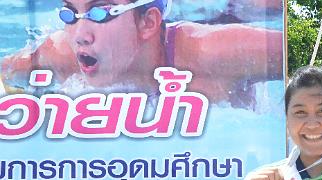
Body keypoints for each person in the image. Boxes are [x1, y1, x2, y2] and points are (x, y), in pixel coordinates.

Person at [0, 0, 283, 108]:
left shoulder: (215, 53)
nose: (80, 36)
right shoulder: (59, 54)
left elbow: (307, 54)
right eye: (70, 13)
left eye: (100, 13)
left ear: (148, 23)